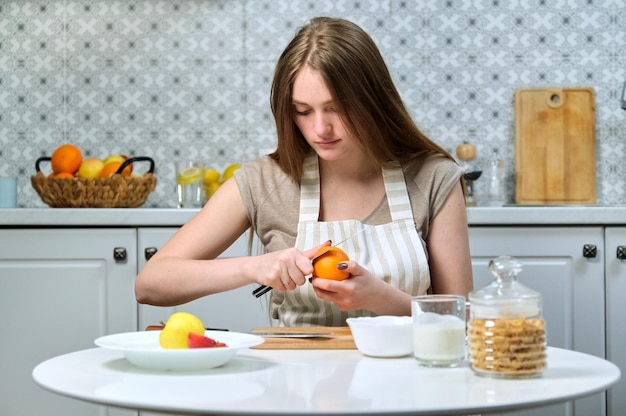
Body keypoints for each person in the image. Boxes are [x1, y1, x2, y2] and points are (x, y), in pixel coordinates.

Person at [135, 16, 473, 327]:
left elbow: (462, 321)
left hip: (408, 381)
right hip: (297, 382)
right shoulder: (267, 181)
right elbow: (150, 284)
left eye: (336, 109)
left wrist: (382, 298)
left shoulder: (433, 178)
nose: (319, 129)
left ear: (373, 101)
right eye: (303, 111)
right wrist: (252, 267)